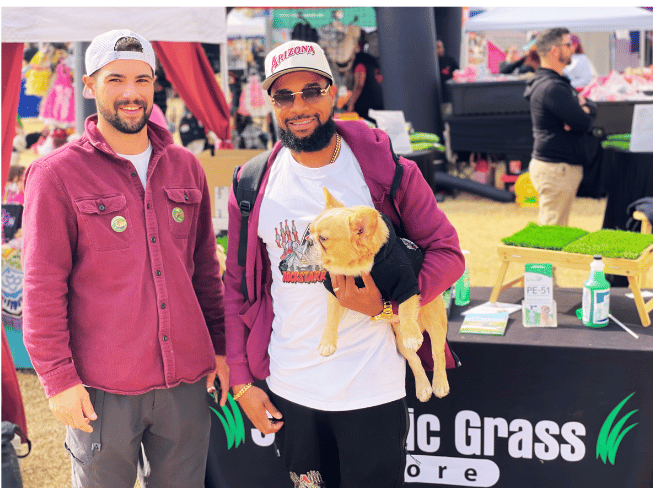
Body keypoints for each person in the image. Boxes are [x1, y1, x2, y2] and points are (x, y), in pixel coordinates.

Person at [225, 40, 465, 488]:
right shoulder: (253, 182)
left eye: (312, 91)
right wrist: (242, 381)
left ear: (334, 93)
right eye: (284, 95)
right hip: (291, 386)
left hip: (372, 387)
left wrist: (390, 302)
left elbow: (447, 253)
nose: (298, 106)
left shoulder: (384, 171)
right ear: (271, 102)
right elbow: (236, 285)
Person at [22, 29, 228, 488]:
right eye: (115, 79)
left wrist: (219, 346)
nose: (131, 93)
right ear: (89, 85)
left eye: (142, 79)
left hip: (186, 383)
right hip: (101, 386)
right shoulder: (55, 174)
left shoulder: (186, 166)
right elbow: (41, 287)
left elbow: (205, 273)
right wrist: (58, 379)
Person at [524, 28, 596, 227]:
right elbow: (583, 122)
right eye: (567, 44)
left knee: (555, 227)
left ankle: (548, 260)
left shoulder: (549, 83)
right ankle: (543, 261)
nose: (572, 48)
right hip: (556, 168)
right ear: (555, 50)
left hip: (556, 166)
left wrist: (585, 108)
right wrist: (587, 109)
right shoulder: (553, 87)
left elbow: (579, 119)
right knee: (551, 230)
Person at [346, 32, 384, 121]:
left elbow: (359, 84)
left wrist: (351, 104)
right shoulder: (372, 60)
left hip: (366, 105)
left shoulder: (360, 61)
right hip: (379, 101)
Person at [436, 39, 459, 103]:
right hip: (433, 97)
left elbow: (458, 73)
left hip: (448, 97)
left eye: (441, 47)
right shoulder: (430, 63)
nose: (441, 49)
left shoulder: (449, 60)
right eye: (438, 47)